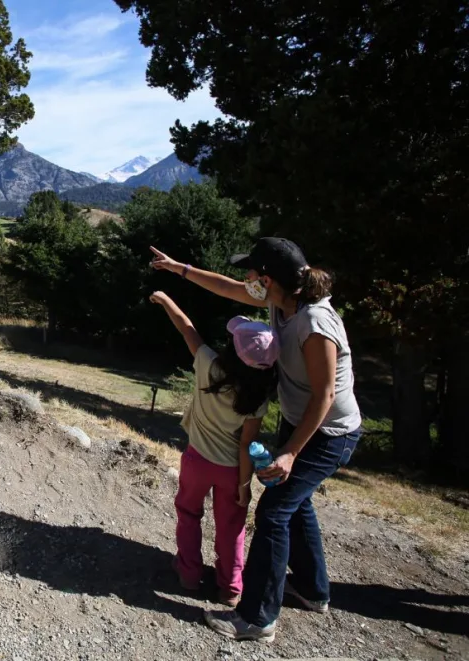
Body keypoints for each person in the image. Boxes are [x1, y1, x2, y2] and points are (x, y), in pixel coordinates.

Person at [150, 238, 362, 642]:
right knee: (297, 506)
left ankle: (257, 618)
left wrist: (290, 453)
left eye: (251, 272)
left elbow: (325, 396)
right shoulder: (280, 302)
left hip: (329, 433)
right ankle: (314, 591)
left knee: (274, 512)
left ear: (267, 278)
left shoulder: (316, 323)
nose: (245, 277)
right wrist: (179, 268)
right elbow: (227, 287)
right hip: (301, 422)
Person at [150, 291, 278, 608]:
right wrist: (244, 486)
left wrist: (167, 299)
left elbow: (186, 327)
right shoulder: (257, 397)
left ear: (232, 351)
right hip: (232, 470)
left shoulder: (208, 364)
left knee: (189, 514)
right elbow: (247, 443)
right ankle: (230, 587)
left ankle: (189, 574)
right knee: (231, 529)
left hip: (196, 460)